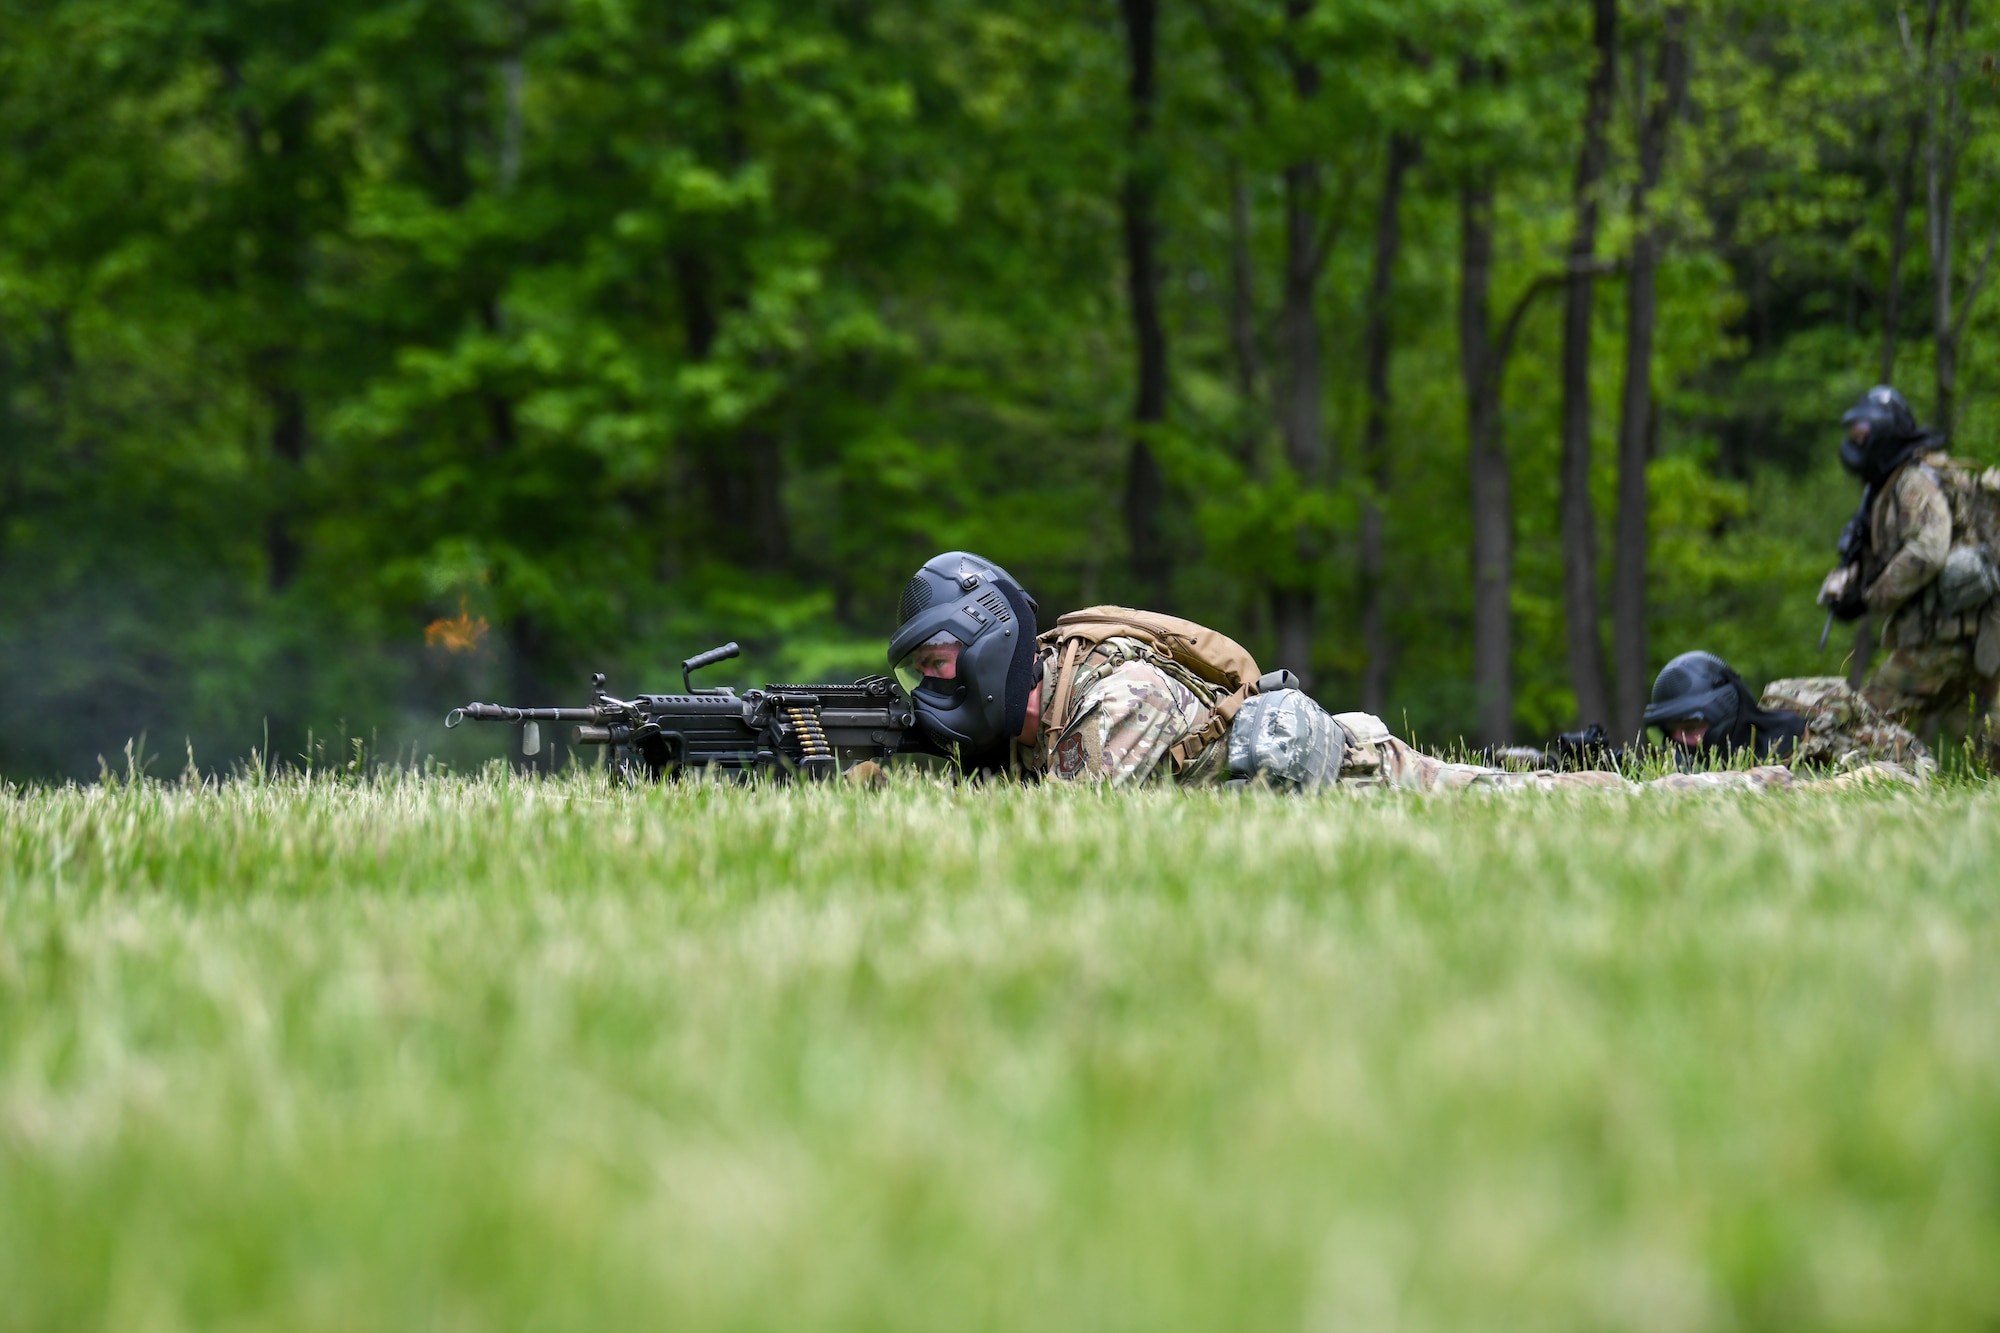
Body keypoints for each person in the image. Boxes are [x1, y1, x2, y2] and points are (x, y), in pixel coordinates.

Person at [885, 551, 1880, 794]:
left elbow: (1075, 857)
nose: (932, 688)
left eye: (937, 664)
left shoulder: (1112, 701)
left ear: (985, 642)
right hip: (1325, 779)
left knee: (1579, 805)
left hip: (1370, 781)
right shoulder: (1044, 707)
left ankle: (1805, 784)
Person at [1818, 384, 2000, 758]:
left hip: (1950, 638)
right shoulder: (1890, 486)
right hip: (1963, 636)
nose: (1855, 441)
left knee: (1861, 725)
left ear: (1883, 432)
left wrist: (1870, 597)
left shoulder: (1914, 480)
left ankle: (1897, 775)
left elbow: (1928, 551)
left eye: (1862, 431)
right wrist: (1850, 591)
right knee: (1991, 747)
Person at [1642, 649, 1930, 777]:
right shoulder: (1695, 761)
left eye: (1692, 726)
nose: (1685, 741)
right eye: (1674, 731)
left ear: (1724, 708)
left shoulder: (1800, 736)